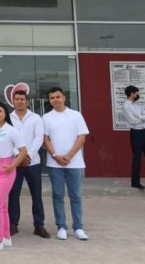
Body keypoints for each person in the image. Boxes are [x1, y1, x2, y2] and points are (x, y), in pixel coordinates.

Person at [42, 87, 89, 241]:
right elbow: (45, 139)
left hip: (74, 162)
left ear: (64, 98)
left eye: (58, 97)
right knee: (58, 195)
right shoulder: (46, 117)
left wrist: (69, 155)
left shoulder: (76, 115)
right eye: (52, 98)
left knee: (75, 196)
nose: (55, 100)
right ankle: (61, 226)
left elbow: (81, 137)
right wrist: (55, 155)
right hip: (54, 164)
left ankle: (78, 227)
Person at [0, 102, 28, 253]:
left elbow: (22, 152)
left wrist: (12, 166)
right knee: (1, 205)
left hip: (6, 168)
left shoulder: (11, 130)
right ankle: (6, 237)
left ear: (5, 113)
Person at [8, 89, 50, 238]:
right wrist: (19, 156)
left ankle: (39, 225)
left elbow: (38, 139)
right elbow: (8, 139)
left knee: (36, 195)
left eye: (22, 99)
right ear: (13, 101)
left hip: (33, 163)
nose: (19, 101)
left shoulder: (36, 118)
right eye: (17, 99)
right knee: (13, 195)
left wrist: (28, 155)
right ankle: (13, 224)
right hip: (15, 162)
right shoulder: (8, 118)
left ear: (27, 101)